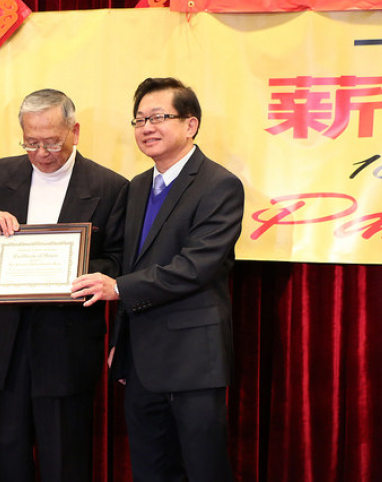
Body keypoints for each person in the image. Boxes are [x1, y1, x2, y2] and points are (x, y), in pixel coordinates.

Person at [71, 77, 245, 481]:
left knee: (204, 469)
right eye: (139, 120)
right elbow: (129, 262)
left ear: (190, 125)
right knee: (151, 468)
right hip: (142, 361)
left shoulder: (219, 185)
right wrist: (120, 341)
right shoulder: (136, 187)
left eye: (158, 117)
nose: (146, 127)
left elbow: (195, 267)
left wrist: (116, 289)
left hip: (193, 360)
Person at [0, 89, 128, 482]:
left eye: (52, 141)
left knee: (65, 462)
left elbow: (119, 261)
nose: (42, 153)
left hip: (66, 346)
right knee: (6, 460)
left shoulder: (110, 186)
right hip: (2, 345)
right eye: (31, 142)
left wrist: (70, 268)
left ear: (75, 131)